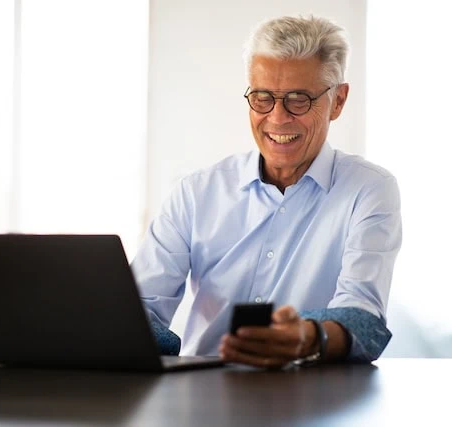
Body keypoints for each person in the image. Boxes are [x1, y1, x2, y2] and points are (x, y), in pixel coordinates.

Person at [130, 15, 402, 368]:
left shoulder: (368, 189)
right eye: (262, 98)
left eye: (299, 100)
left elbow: (362, 318)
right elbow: (139, 310)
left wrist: (307, 337)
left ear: (338, 101)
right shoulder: (197, 192)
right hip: (202, 397)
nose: (277, 118)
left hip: (316, 401)